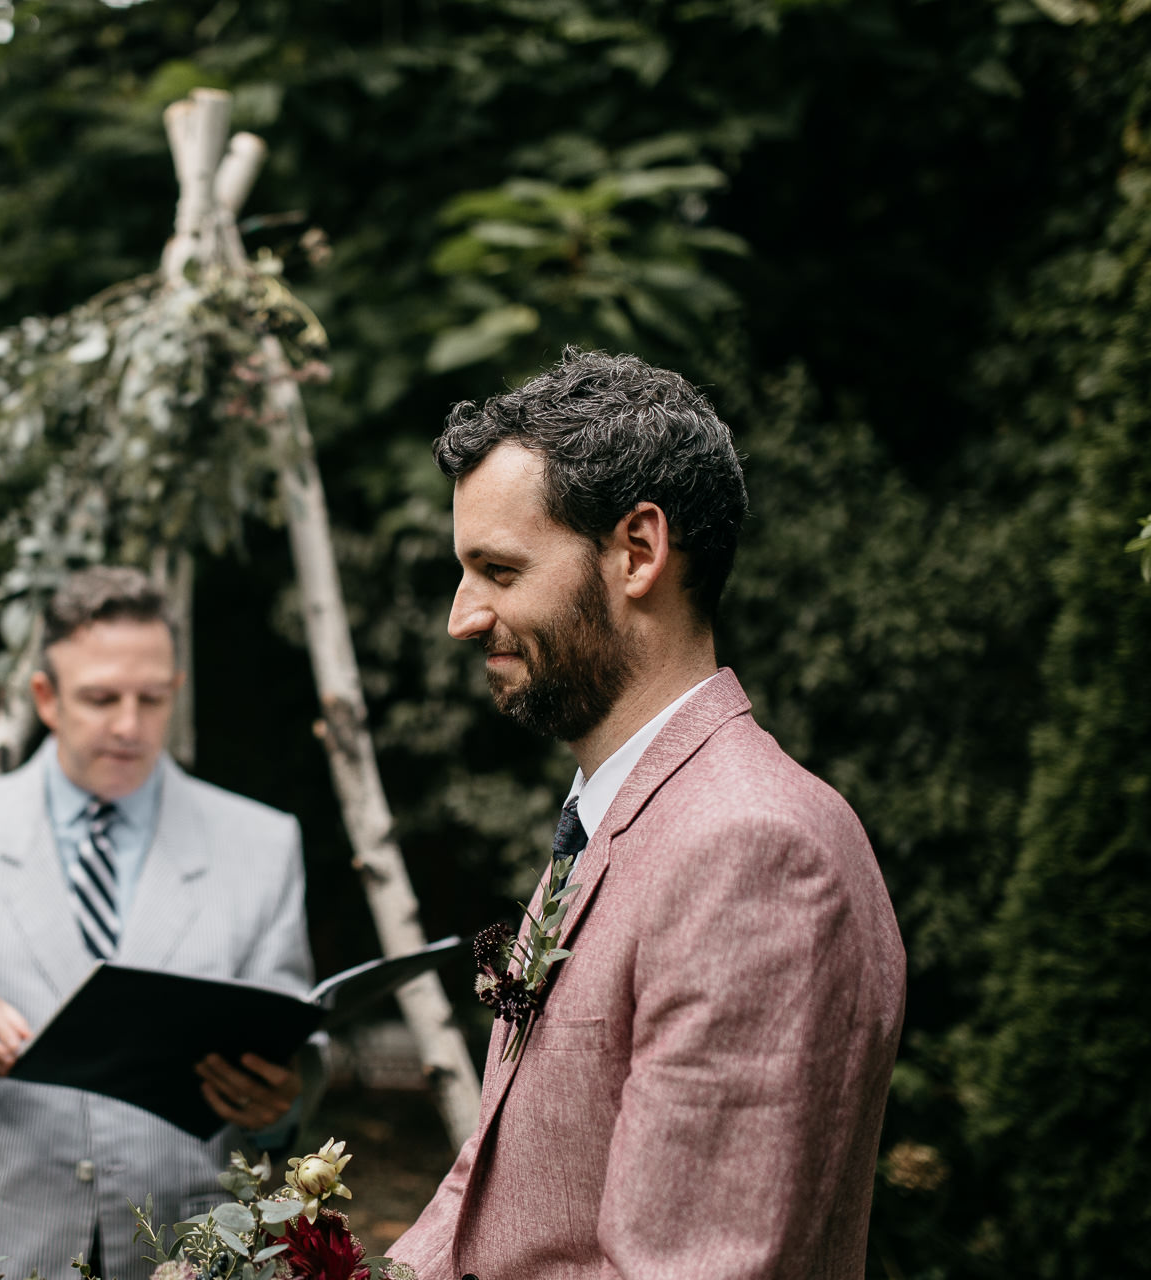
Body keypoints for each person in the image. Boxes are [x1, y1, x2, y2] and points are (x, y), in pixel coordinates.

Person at [388, 350, 906, 1279]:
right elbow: (499, 1188)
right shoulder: (616, 815)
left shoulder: (750, 851)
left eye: (498, 570)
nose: (462, 618)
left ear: (638, 551)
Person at [0, 567, 320, 1280]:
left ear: (176, 691)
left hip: (191, 1250)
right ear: (47, 697)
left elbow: (296, 1041)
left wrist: (281, 1100)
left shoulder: (263, 842)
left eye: (151, 698)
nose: (130, 726)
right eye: (102, 698)